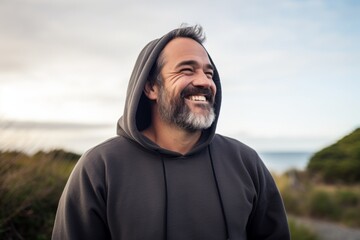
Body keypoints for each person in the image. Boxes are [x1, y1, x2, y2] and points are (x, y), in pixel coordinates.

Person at [52, 25, 290, 240]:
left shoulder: (245, 161)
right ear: (151, 87)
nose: (205, 82)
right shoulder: (99, 167)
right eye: (187, 70)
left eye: (209, 73)